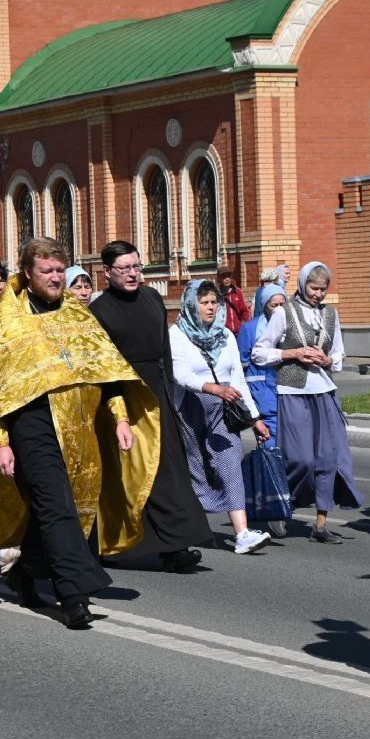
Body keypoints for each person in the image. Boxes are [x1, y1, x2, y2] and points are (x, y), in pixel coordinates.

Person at [0, 238, 158, 629]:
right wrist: (0, 441)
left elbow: (106, 372)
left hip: (80, 427)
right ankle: (74, 595)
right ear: (28, 273)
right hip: (31, 425)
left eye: (61, 271)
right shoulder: (9, 324)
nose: (56, 278)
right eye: (48, 271)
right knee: (55, 505)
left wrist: (121, 418)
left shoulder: (78, 318)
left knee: (67, 510)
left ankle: (25, 572)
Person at [89, 242, 211, 572]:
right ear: (107, 273)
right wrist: (118, 416)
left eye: (136, 267)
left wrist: (172, 393)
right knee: (132, 475)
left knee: (170, 470)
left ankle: (176, 546)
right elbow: (103, 367)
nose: (132, 274)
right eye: (124, 269)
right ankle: (114, 544)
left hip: (157, 394)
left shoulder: (153, 298)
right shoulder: (99, 312)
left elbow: (164, 352)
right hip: (124, 398)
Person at [251, 261, 362, 544]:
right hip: (292, 390)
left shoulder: (330, 316)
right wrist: (294, 353)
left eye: (323, 289)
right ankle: (279, 502)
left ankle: (321, 525)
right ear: (302, 285)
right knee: (301, 458)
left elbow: (339, 354)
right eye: (314, 288)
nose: (318, 294)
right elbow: (260, 353)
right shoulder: (284, 313)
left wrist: (328, 360)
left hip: (324, 391)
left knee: (327, 458)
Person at [168, 279, 273, 555]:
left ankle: (242, 534)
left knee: (229, 464)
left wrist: (254, 419)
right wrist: (213, 388)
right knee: (196, 469)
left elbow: (238, 378)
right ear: (192, 304)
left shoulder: (225, 335)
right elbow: (179, 374)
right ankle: (192, 527)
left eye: (214, 302)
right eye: (204, 302)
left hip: (224, 409)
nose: (210, 307)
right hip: (190, 408)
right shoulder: (176, 335)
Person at [236, 283, 285, 442]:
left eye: (282, 305)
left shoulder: (292, 327)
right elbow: (241, 365)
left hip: (288, 392)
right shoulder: (250, 329)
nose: (278, 309)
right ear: (265, 306)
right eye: (274, 305)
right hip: (262, 396)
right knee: (269, 446)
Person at [216, 267, 250, 335]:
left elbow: (244, 310)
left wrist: (247, 326)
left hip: (238, 331)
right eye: (224, 276)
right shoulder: (216, 293)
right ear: (219, 278)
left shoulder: (237, 292)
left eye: (229, 276)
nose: (227, 279)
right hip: (223, 332)